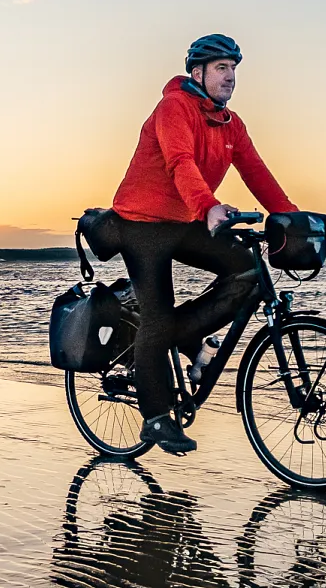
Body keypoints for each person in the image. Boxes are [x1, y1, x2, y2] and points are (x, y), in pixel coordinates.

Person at [107, 33, 299, 454]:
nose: (230, 78)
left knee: (248, 270)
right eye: (221, 69)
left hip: (186, 218)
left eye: (234, 69)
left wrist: (290, 215)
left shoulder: (232, 124)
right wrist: (209, 206)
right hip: (141, 222)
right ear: (198, 73)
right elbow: (180, 162)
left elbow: (256, 172)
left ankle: (181, 338)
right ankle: (156, 417)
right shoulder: (173, 108)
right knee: (157, 314)